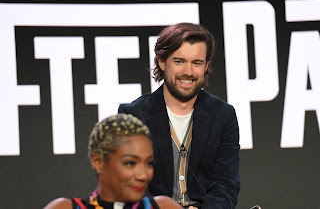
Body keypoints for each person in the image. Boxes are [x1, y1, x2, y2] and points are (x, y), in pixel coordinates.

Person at [118, 22, 240, 208]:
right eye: (179, 61)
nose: (188, 72)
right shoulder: (132, 116)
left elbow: (225, 184)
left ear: (206, 65)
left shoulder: (224, 115)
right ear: (161, 61)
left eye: (197, 63)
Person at [43, 113, 184, 209]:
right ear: (98, 161)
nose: (143, 175)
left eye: (149, 163)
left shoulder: (164, 206)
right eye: (130, 163)